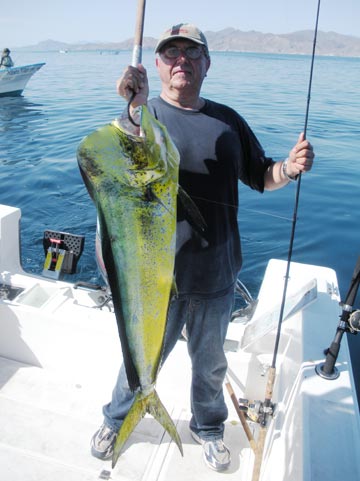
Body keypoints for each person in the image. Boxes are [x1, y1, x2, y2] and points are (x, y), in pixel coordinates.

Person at [91, 23, 314, 471]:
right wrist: (131, 105)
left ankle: (208, 426)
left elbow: (260, 176)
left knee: (211, 366)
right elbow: (114, 158)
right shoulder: (142, 119)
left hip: (216, 273)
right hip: (157, 280)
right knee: (139, 360)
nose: (181, 61)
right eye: (171, 54)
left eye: (192, 54)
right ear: (157, 65)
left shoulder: (228, 122)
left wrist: (288, 169)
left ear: (207, 64)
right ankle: (118, 419)